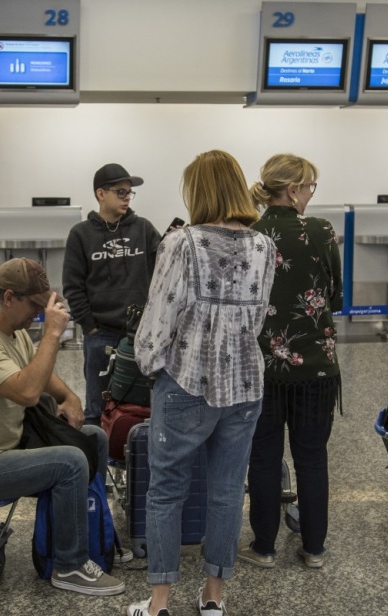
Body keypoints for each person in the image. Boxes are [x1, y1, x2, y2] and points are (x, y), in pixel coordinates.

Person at [128, 150, 276, 616]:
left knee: (167, 491)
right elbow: (257, 319)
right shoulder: (264, 246)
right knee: (228, 491)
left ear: (199, 191)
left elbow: (158, 317)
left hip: (187, 381)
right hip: (245, 384)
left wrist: (150, 365)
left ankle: (159, 605)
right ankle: (214, 598)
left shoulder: (181, 243)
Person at [0, 257, 125, 596]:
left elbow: (42, 375)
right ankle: (69, 565)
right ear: (9, 298)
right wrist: (53, 333)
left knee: (93, 438)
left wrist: (69, 397)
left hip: (12, 446)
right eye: (35, 305)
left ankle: (94, 537)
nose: (40, 314)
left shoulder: (14, 334)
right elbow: (29, 392)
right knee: (71, 462)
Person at [240, 153, 343, 571]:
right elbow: (336, 295)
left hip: (262, 367)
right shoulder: (320, 231)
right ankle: (314, 549)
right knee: (312, 457)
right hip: (316, 366)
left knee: (263, 458)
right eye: (310, 187)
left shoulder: (249, 234)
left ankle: (264, 547)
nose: (311, 195)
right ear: (293, 189)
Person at [63, 163, 162, 426]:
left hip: (141, 335)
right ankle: (98, 454)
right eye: (120, 192)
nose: (127, 197)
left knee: (141, 409)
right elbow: (73, 286)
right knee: (96, 410)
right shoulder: (81, 234)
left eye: (129, 192)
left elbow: (165, 272)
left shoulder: (144, 229)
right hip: (100, 335)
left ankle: (136, 453)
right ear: (100, 194)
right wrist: (90, 327)